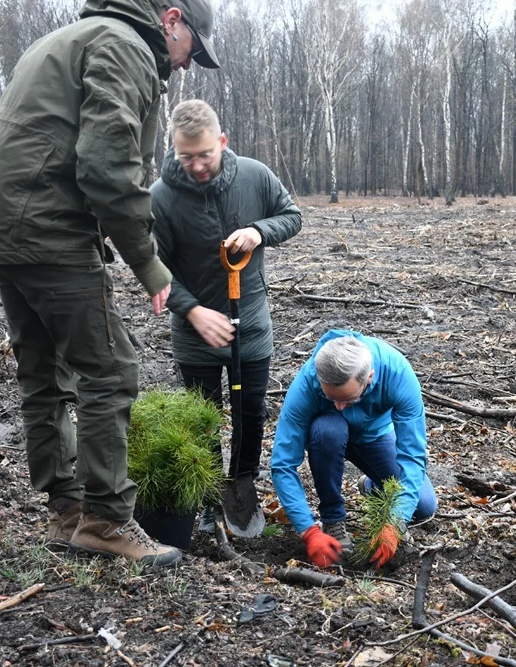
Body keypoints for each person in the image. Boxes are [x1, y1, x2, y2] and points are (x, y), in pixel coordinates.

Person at [0, 0, 221, 567]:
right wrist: (148, 265)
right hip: (46, 224)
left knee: (43, 368)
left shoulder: (76, 35)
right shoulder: (124, 46)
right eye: (192, 45)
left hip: (4, 222)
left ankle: (66, 509)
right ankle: (106, 520)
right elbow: (103, 164)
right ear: (172, 20)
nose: (188, 63)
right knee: (110, 368)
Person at [150, 99, 302, 532]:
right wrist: (192, 311)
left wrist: (259, 231)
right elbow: (154, 269)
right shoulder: (162, 198)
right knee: (204, 417)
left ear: (222, 141)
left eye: (205, 154)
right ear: (174, 149)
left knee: (249, 412)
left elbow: (291, 216)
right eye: (186, 156)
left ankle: (243, 482)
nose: (196, 165)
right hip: (195, 332)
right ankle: (210, 496)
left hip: (251, 323)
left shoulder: (255, 176)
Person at [271, 331, 437, 569]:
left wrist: (395, 522)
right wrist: (308, 531)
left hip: (374, 435)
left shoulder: (398, 374)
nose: (339, 406)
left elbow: (412, 456)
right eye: (331, 398)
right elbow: (282, 464)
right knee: (330, 428)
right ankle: (333, 518)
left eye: (348, 399)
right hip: (326, 437)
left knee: (423, 506)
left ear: (369, 378)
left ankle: (372, 485)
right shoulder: (308, 382)